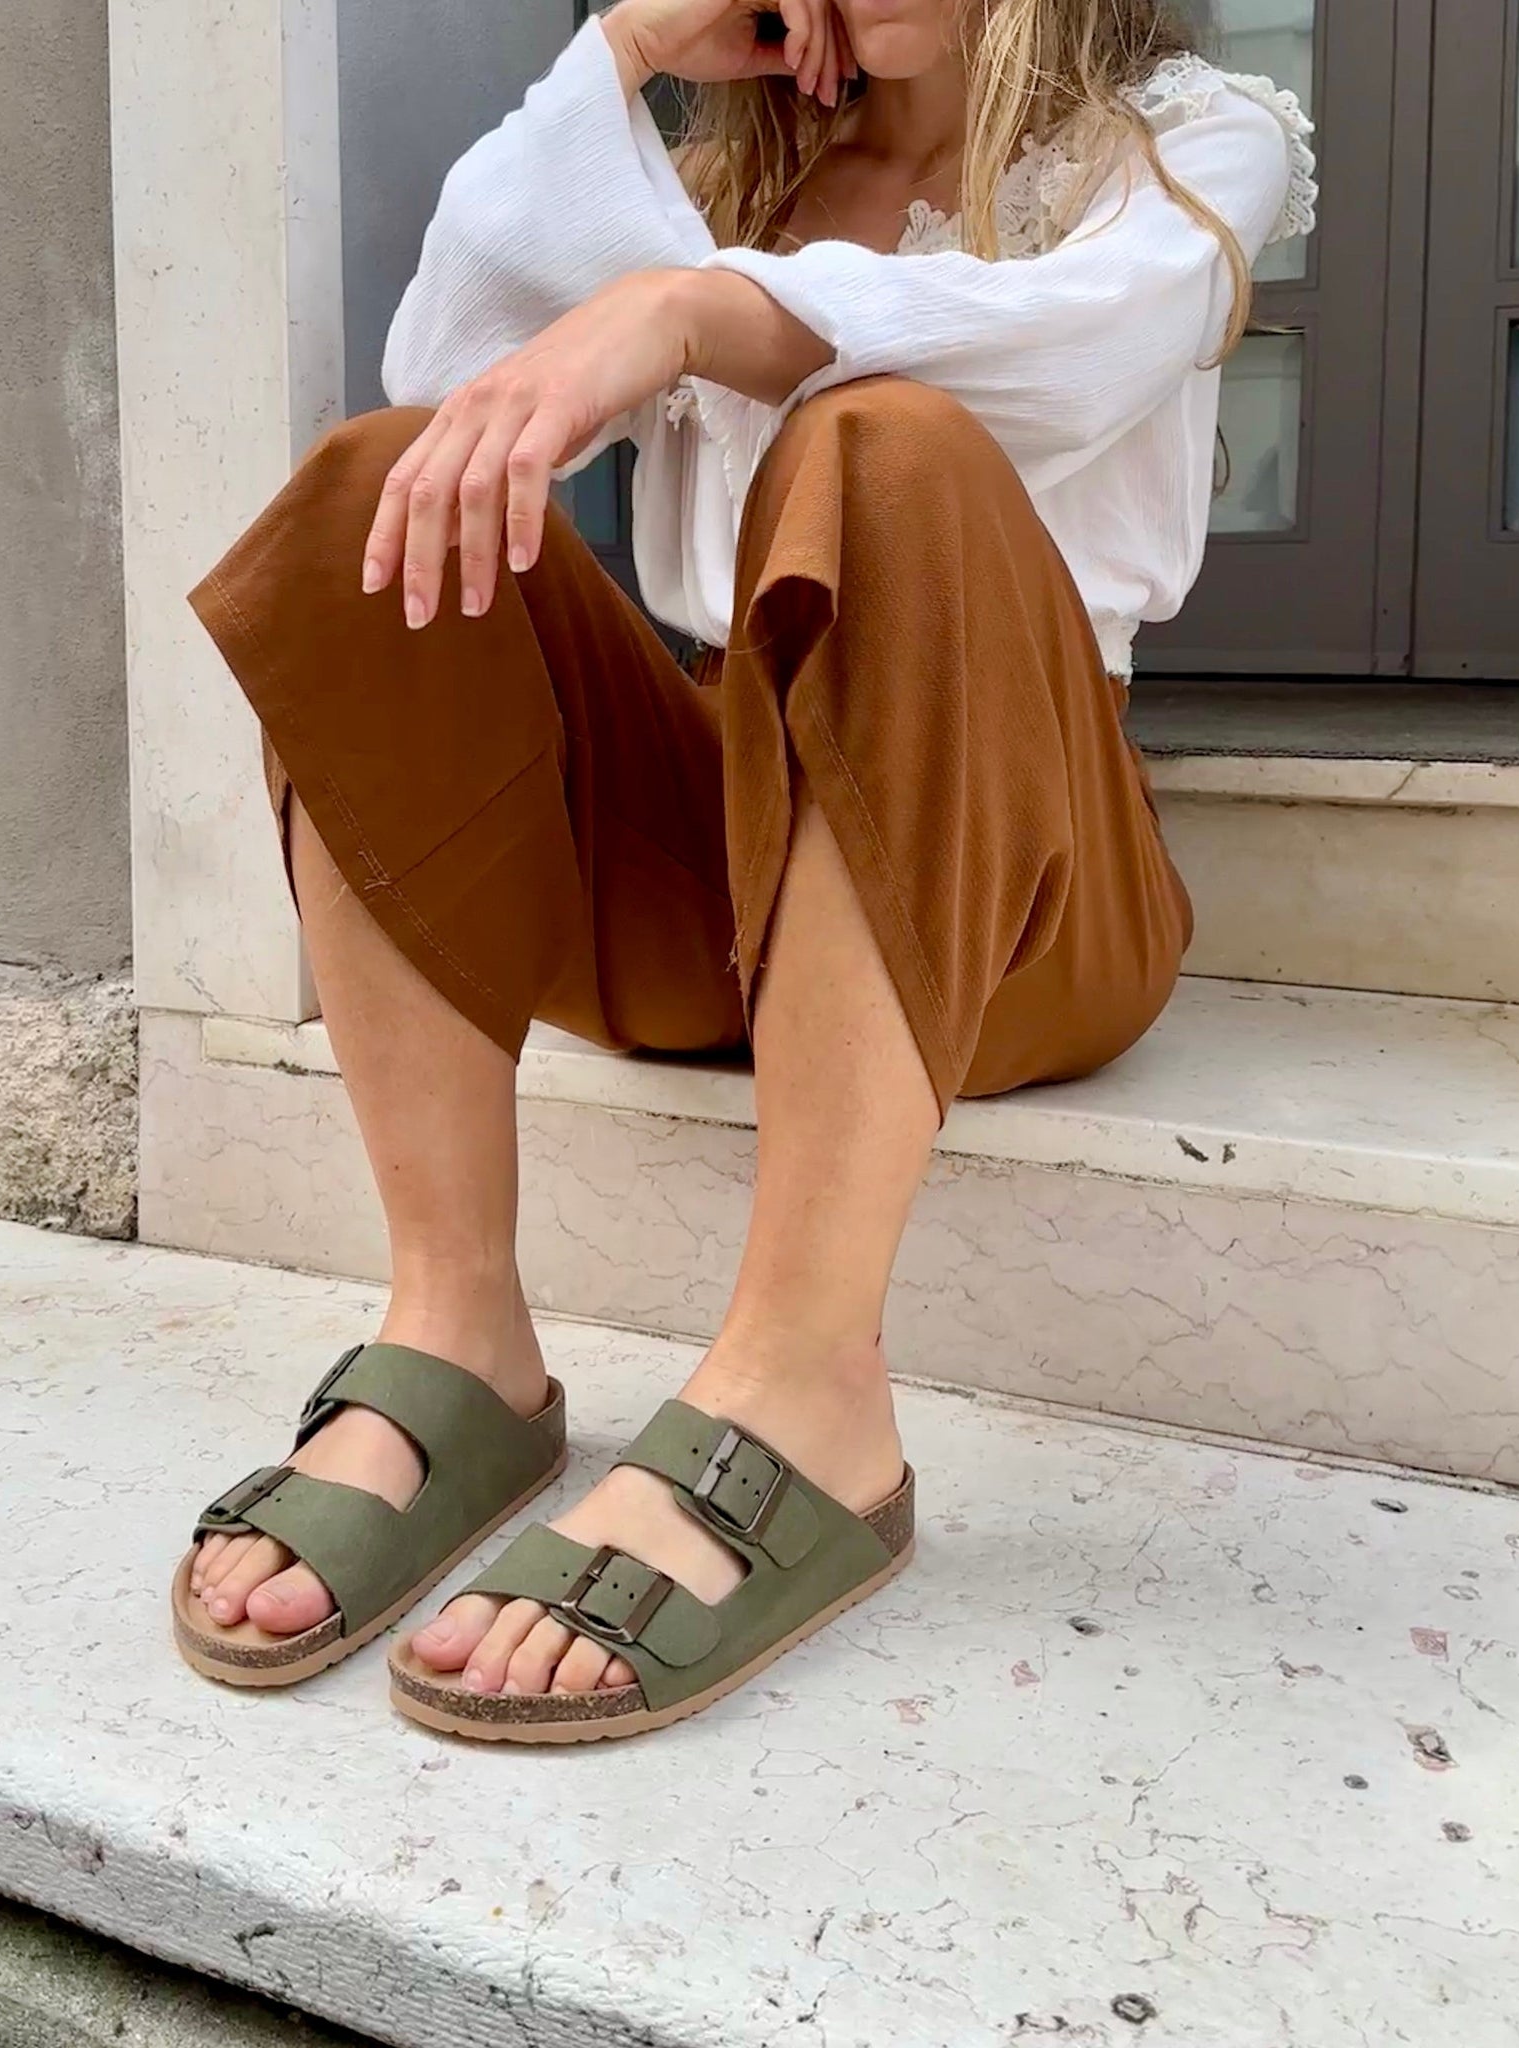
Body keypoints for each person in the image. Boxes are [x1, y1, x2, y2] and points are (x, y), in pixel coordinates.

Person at [172, 0, 1315, 1742]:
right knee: (379, 489)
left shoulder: (1182, 140)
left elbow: (1073, 359)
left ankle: (804, 1386)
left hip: (1016, 881)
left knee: (887, 445)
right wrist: (628, 52)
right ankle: (457, 1328)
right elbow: (451, 362)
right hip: (718, 867)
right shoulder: (727, 181)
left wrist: (691, 310)